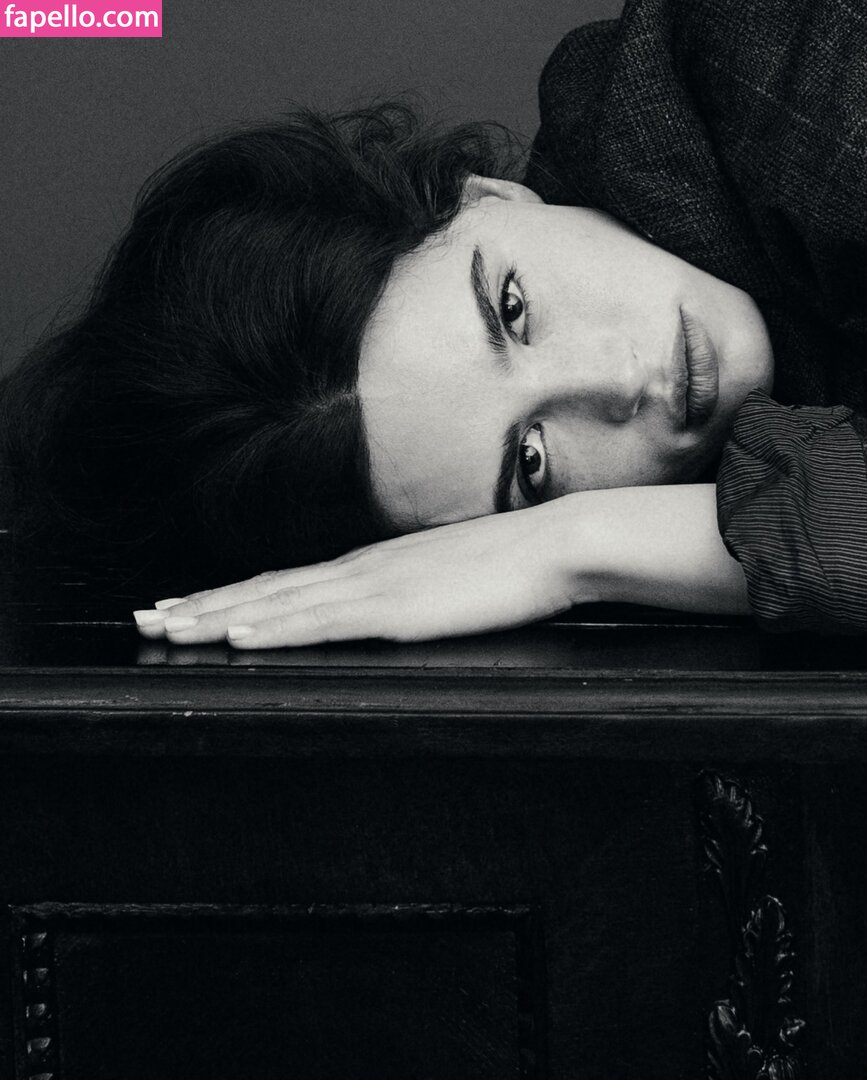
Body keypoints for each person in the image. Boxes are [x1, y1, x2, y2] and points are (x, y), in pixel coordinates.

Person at [3, 0, 867, 646]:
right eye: (531, 465)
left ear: (489, 196)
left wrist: (571, 545)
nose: (617, 379)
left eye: (513, 309)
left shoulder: (795, 60)